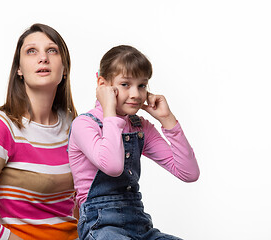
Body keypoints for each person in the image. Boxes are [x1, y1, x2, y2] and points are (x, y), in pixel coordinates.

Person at [0, 23, 78, 240]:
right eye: (32, 51)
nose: (43, 58)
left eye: (52, 50)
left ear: (65, 67)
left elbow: (82, 201)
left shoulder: (75, 125)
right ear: (19, 69)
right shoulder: (1, 127)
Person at [67, 45, 200, 240]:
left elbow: (189, 173)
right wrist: (109, 111)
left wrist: (167, 119)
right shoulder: (85, 124)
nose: (136, 94)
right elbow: (112, 166)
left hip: (139, 225)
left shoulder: (140, 127)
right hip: (100, 226)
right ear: (102, 85)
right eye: (125, 84)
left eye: (142, 85)